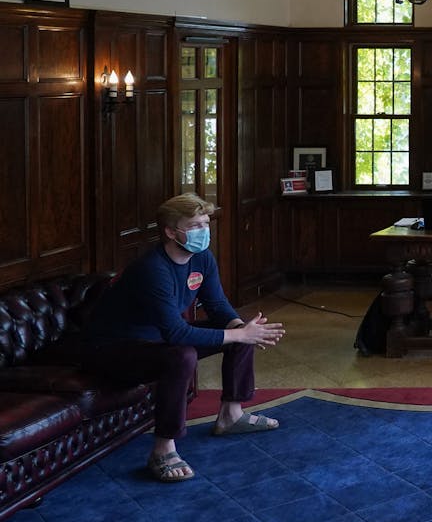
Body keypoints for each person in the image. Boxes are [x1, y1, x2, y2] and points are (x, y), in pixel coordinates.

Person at [81, 193, 286, 483]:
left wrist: (242, 328)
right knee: (184, 354)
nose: (204, 231)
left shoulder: (201, 257)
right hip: (115, 348)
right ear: (170, 231)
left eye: (205, 223)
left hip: (157, 340)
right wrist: (240, 332)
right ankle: (163, 448)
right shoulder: (152, 269)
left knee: (241, 334)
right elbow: (176, 334)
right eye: (195, 225)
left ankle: (231, 416)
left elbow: (216, 305)